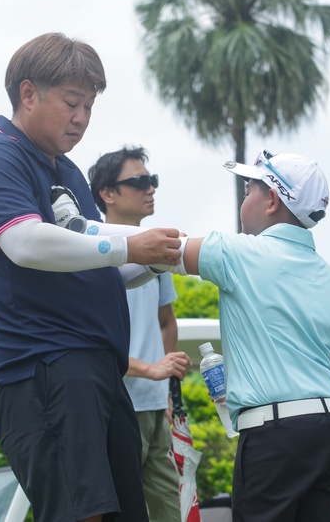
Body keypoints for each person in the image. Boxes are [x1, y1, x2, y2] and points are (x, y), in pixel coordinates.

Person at [0, 32, 182, 522]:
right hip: (41, 367)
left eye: (89, 107)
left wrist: (158, 258)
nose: (81, 118)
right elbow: (26, 243)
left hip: (98, 370)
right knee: (80, 513)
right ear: (28, 94)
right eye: (72, 103)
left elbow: (97, 263)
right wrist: (128, 245)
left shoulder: (68, 173)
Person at [165, 149, 330, 521]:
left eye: (248, 190)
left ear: (271, 200)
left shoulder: (238, 252)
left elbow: (164, 249)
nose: (244, 199)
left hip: (274, 434)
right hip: (328, 430)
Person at [88, 146, 191, 521]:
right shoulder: (90, 254)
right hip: (116, 405)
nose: (151, 189)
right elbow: (93, 340)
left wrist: (167, 385)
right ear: (107, 193)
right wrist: (149, 369)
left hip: (155, 405)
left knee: (170, 512)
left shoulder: (158, 253)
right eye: (139, 182)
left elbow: (166, 321)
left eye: (153, 180)